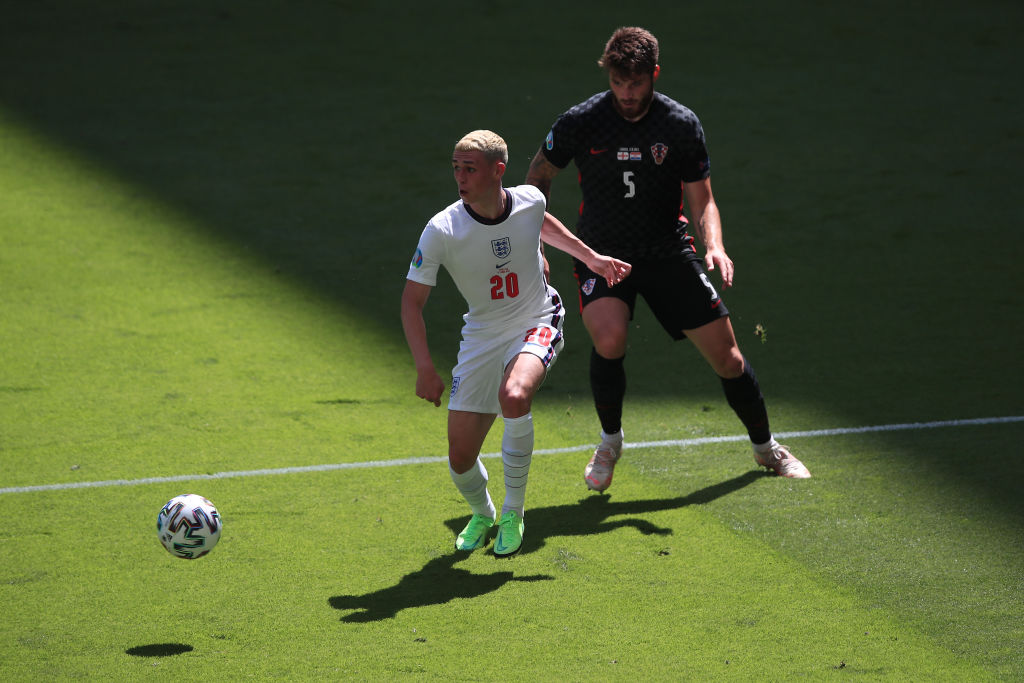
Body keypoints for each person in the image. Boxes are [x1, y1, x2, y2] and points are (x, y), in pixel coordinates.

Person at [524, 27, 810, 491]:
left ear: (653, 74)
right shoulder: (581, 121)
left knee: (728, 359)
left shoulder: (679, 125)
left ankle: (767, 448)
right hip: (602, 255)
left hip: (668, 252)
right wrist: (536, 242)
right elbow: (537, 177)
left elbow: (703, 200)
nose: (627, 93)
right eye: (618, 83)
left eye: (636, 83)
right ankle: (610, 442)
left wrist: (713, 244)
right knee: (610, 338)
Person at [401, 130, 631, 556]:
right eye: (456, 168)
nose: (460, 177)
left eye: (470, 168)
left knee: (515, 394)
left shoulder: (528, 199)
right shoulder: (442, 229)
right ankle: (484, 512)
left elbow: (541, 222)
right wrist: (424, 367)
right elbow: (411, 303)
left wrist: (592, 258)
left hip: (536, 319)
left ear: (497, 171)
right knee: (460, 458)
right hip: (483, 336)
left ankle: (514, 512)